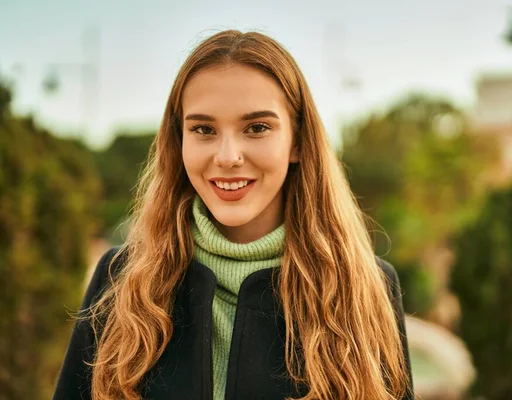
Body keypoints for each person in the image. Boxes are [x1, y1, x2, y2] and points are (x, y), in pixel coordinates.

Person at [53, 30, 414, 400]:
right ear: (179, 142)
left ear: (299, 142)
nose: (227, 156)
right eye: (203, 129)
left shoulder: (366, 286)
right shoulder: (120, 278)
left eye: (257, 128)